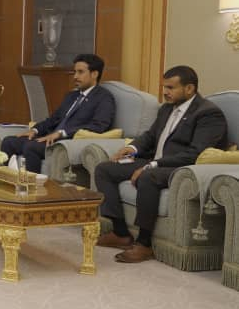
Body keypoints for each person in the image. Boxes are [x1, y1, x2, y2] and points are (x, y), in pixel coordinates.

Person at [94, 65, 228, 263]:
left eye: (170, 88)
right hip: (156, 162)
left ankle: (144, 244)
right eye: (164, 87)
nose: (165, 92)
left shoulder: (208, 114)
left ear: (189, 88)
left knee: (148, 176)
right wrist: (131, 148)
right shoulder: (166, 109)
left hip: (181, 167)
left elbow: (195, 154)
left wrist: (152, 165)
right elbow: (150, 136)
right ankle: (120, 232)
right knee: (104, 169)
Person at [0, 53, 116, 173]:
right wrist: (35, 130)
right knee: (9, 142)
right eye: (75, 72)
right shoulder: (72, 96)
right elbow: (53, 119)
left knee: (31, 147)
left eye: (80, 72)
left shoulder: (104, 98)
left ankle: (31, 183)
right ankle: (3, 179)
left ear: (94, 74)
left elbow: (98, 126)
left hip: (67, 142)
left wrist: (62, 133)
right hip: (50, 138)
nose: (75, 76)